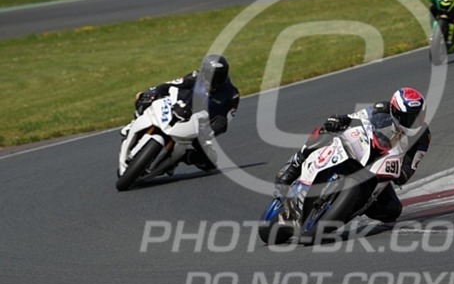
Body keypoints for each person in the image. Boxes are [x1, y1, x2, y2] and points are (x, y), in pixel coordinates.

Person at [274, 87, 432, 223]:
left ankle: (347, 208)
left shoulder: (424, 135)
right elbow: (354, 117)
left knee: (392, 210)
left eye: (419, 115)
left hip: (381, 167)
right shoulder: (382, 108)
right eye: (410, 117)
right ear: (396, 111)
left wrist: (401, 173)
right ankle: (295, 164)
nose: (415, 121)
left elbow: (411, 165)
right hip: (364, 148)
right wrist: (339, 120)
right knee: (327, 130)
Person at [120, 54, 240, 171]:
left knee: (210, 162)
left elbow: (225, 120)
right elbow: (173, 84)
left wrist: (212, 129)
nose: (211, 80)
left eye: (216, 77)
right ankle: (134, 123)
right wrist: (154, 92)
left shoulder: (232, 94)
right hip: (179, 107)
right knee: (144, 99)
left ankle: (184, 156)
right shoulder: (195, 77)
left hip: (199, 126)